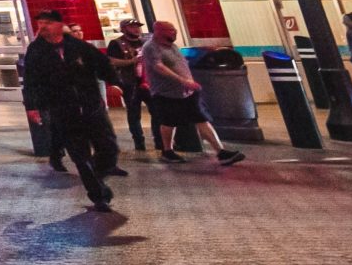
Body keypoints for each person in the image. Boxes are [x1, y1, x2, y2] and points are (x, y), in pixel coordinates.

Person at [21, 11, 124, 210]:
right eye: (41, 23)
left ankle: (98, 176)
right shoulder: (36, 50)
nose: (43, 26)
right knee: (80, 155)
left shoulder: (78, 46)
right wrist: (32, 106)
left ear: (60, 25)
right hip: (63, 109)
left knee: (109, 148)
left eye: (48, 23)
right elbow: (30, 80)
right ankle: (97, 195)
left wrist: (114, 83)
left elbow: (103, 64)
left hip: (91, 106)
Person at [143, 20, 245, 164]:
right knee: (169, 122)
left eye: (174, 30)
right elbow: (159, 67)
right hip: (166, 92)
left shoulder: (172, 46)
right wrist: (182, 80)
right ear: (159, 31)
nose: (174, 33)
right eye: (170, 30)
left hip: (188, 92)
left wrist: (188, 82)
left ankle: (221, 152)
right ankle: (167, 151)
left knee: (201, 118)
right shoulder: (151, 47)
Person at [104, 19, 150, 153]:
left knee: (156, 111)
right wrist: (132, 61)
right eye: (132, 27)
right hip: (129, 83)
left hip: (147, 82)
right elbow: (111, 61)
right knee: (134, 113)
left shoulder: (145, 43)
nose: (136, 29)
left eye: (138, 26)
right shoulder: (116, 43)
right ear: (124, 28)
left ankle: (159, 140)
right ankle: (139, 142)